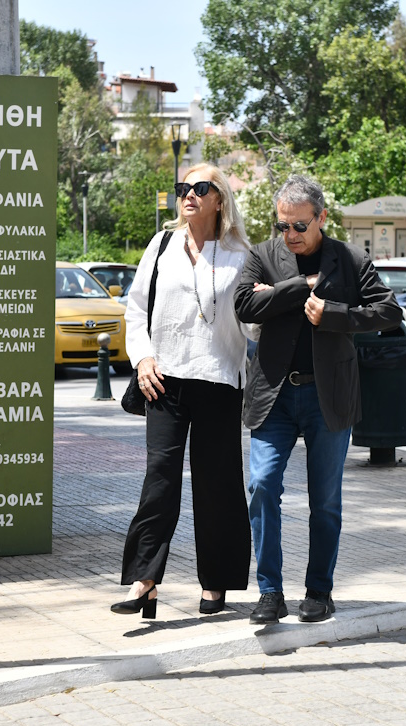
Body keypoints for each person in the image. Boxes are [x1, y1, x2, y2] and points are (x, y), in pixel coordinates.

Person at [234, 174, 402, 625]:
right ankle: (270, 592)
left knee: (324, 499)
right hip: (273, 395)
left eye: (299, 226)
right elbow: (244, 306)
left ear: (321, 217)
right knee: (262, 485)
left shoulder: (350, 259)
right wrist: (299, 286)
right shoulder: (262, 256)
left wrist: (335, 314)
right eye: (282, 225)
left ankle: (319, 591)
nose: (289, 234)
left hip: (328, 396)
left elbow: (389, 311)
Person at [113, 163, 253, 618]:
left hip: (219, 379)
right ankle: (145, 581)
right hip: (164, 380)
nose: (188, 194)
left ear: (219, 199)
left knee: (218, 485)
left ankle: (216, 582)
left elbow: (251, 322)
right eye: (183, 188)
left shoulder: (240, 254)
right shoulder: (162, 244)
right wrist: (143, 358)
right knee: (159, 480)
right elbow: (136, 310)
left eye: (200, 187)